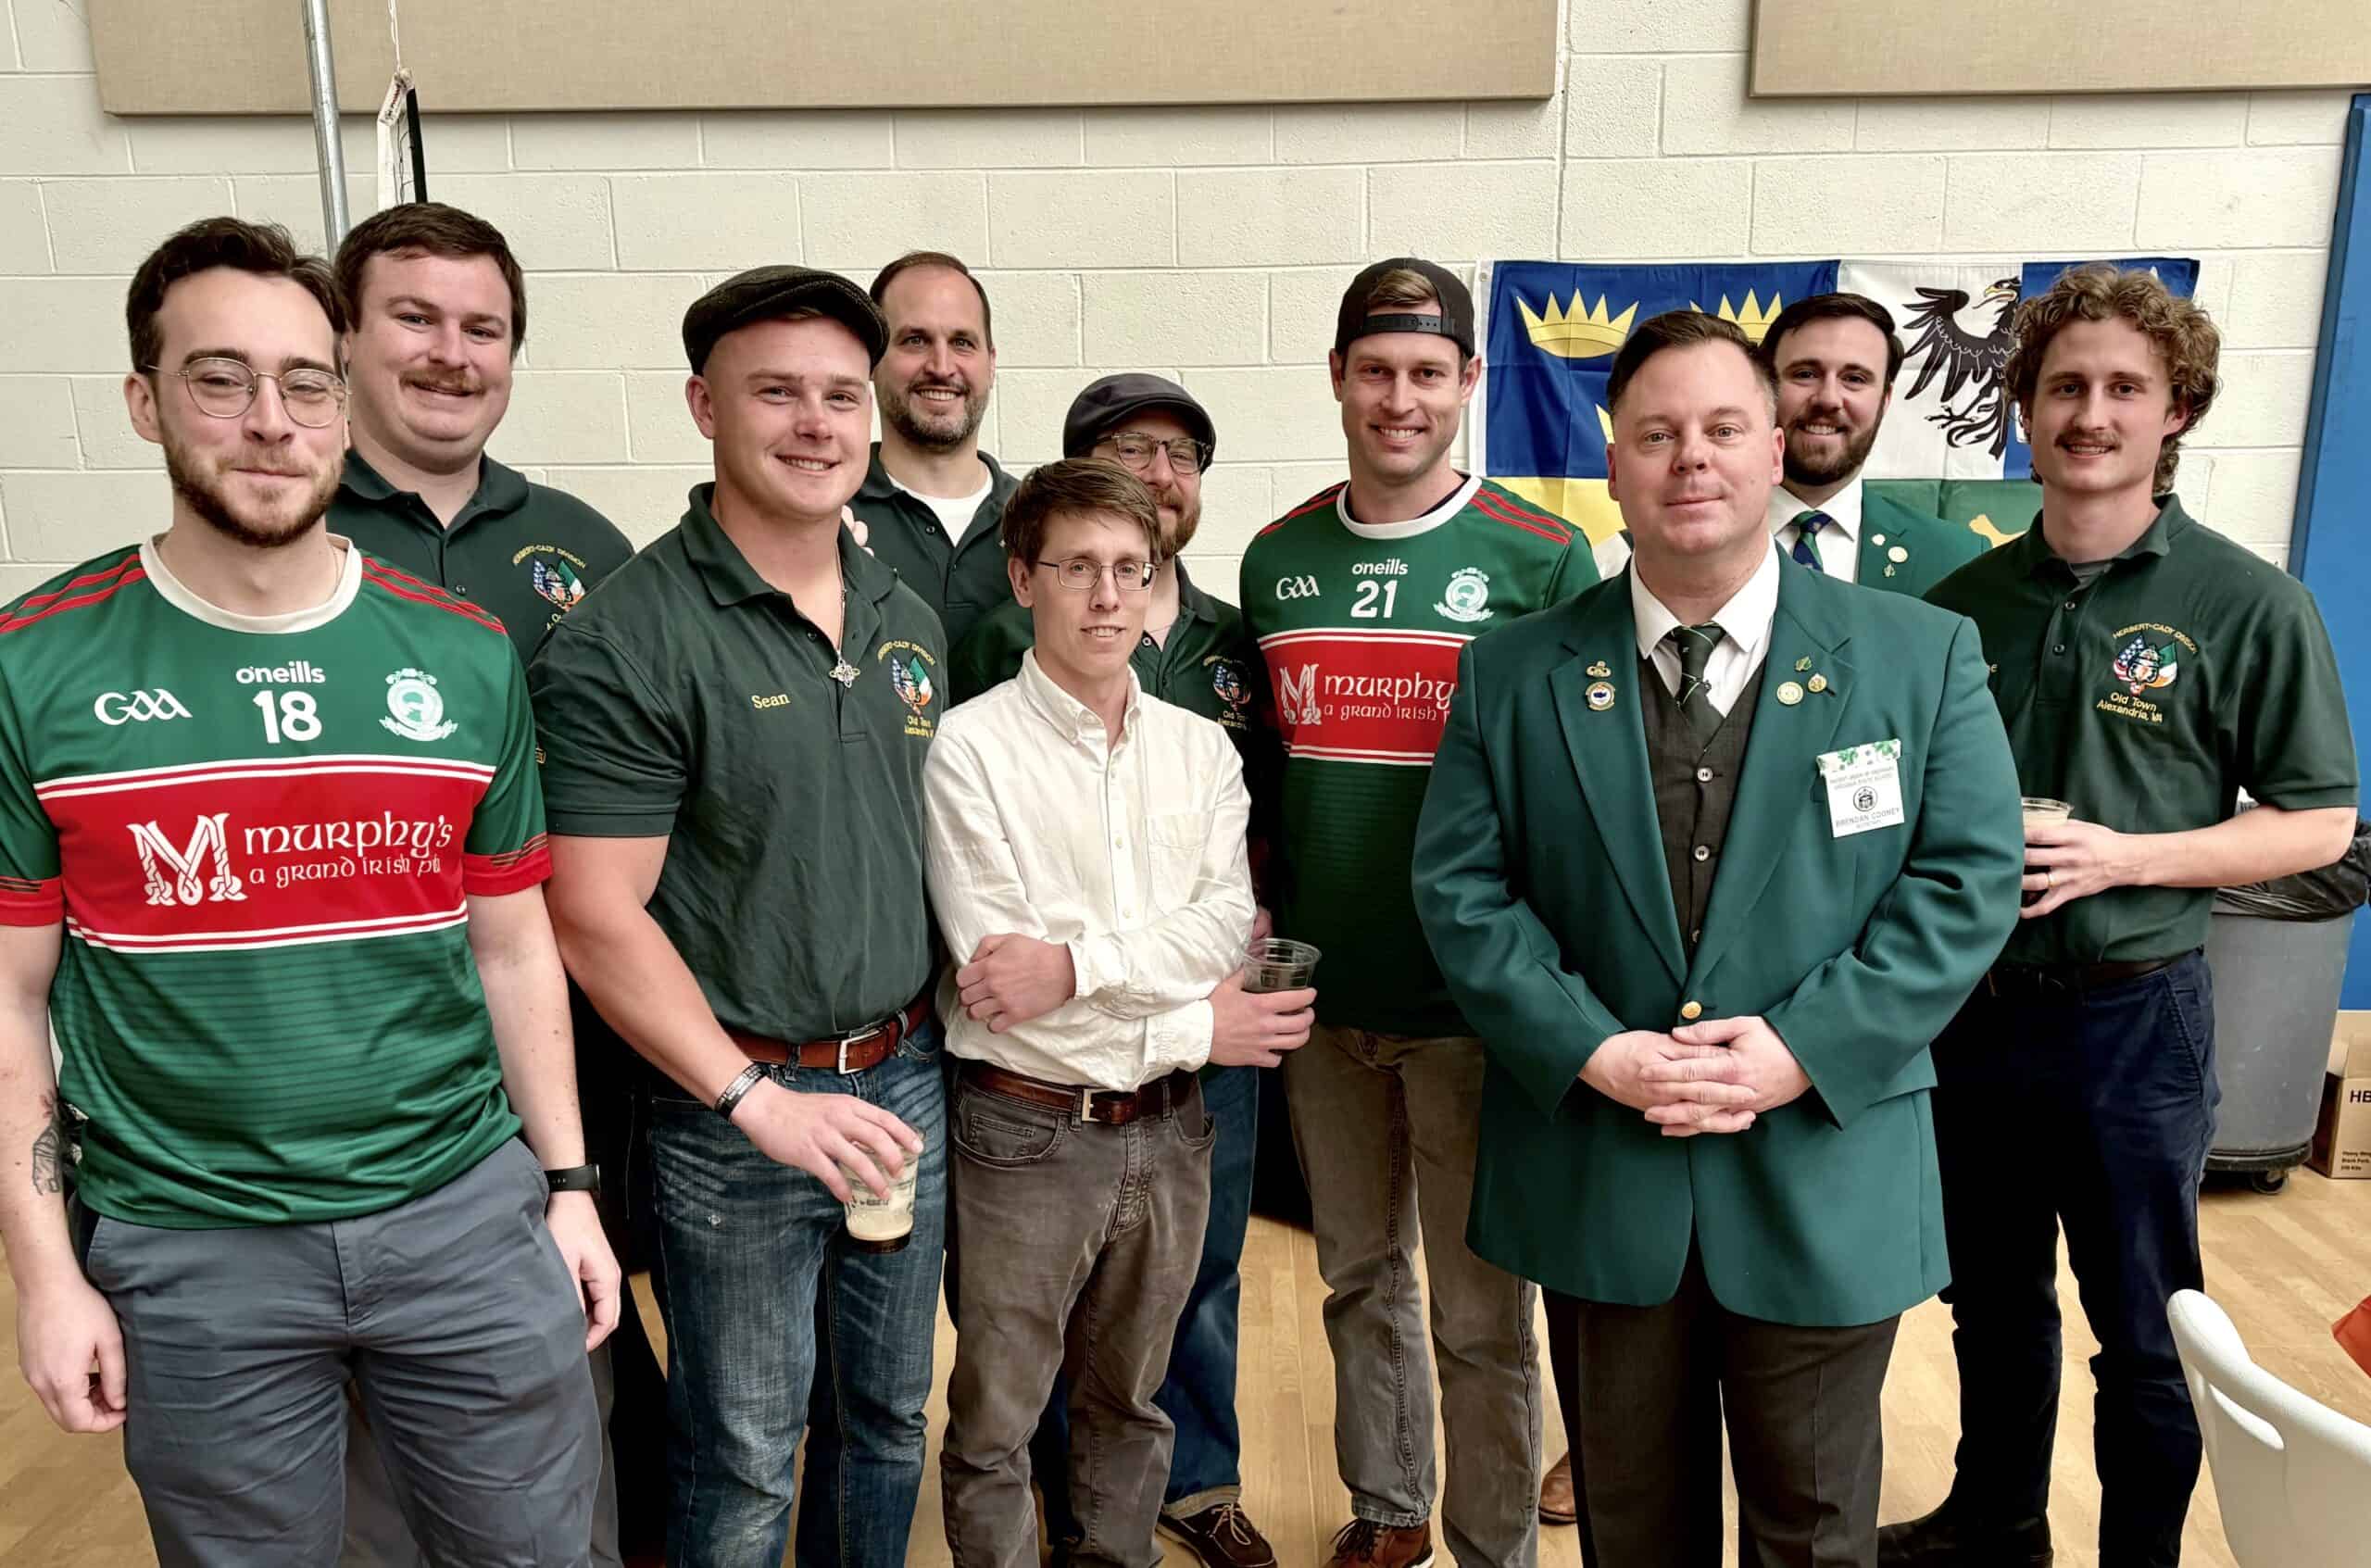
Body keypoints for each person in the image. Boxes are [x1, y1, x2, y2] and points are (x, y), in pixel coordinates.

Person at [0, 215, 616, 1567]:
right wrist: (46, 1274)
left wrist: (568, 1185)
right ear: (145, 402)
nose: (270, 422)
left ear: (340, 404)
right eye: (220, 379)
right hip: (190, 1242)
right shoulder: (33, 666)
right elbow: (11, 998)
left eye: (304, 383)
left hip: (462, 1214)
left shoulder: (461, 655)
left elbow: (514, 948)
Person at [1412, 307, 2024, 1568]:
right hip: (1601, 1166)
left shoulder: (1920, 657)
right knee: (1633, 1528)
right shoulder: (1512, 673)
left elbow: (1967, 880)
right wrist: (1595, 1049)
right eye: (1657, 434)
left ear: (1774, 448)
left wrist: (1800, 1048)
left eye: (1723, 428)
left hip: (1823, 1167)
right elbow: (1464, 894)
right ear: (1613, 462)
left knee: (1816, 1527)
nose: (1691, 457)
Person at [1883, 266, 2358, 1568]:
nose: (2089, 415)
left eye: (2123, 389)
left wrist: (2128, 858)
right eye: (2063, 388)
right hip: (1974, 1016)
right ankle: (1995, 1526)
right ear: (2024, 413)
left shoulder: (2247, 603)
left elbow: (2319, 823)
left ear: (2176, 411)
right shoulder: (1959, 610)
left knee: (2146, 1327)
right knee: (1989, 1302)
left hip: (2134, 1020)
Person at [530, 266, 944, 1568]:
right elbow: (592, 913)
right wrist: (753, 1098)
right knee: (747, 1453)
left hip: (906, 1077)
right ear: (705, 406)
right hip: (736, 1109)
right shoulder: (629, 638)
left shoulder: (903, 611)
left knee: (885, 1420)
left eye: (842, 396)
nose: (817, 424)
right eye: (778, 393)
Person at [1241, 256, 1596, 1568]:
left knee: (1483, 1311)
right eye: (1377, 370)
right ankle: (1390, 1511)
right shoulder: (1277, 559)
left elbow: (1576, 796)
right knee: (1356, 1278)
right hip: (1323, 1004)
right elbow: (1265, 778)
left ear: (1470, 383)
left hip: (1474, 1013)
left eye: (1429, 373)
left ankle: (1494, 1544)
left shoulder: (1542, 557)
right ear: (1338, 378)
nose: (1402, 398)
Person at [324, 197, 654, 1568]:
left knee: (571, 1350)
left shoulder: (585, 546)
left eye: (484, 327)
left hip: (565, 1034)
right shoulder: (287, 529)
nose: (451, 354)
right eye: (414, 318)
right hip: (363, 1058)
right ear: (344, 339)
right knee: (365, 1427)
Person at [925, 457, 1313, 1568]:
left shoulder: (1200, 749)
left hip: (1170, 1126)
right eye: (1077, 568)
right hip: (1026, 1129)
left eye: (1130, 570)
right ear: (1023, 579)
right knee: (999, 1418)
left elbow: (1221, 925)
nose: (1106, 596)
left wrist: (1075, 963)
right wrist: (1192, 1023)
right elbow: (1001, 987)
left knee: (1133, 1403)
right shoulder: (969, 748)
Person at [1758, 293, 1988, 595]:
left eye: (1854, 378)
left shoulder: (1956, 557)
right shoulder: (1698, 536)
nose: (1828, 399)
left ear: (1885, 399)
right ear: (1763, 387)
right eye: (1805, 374)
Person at [851, 250, 1016, 647]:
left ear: (991, 363)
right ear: (871, 361)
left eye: (962, 342)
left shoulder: (1041, 520)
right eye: (915, 340)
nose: (941, 366)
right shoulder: (828, 517)